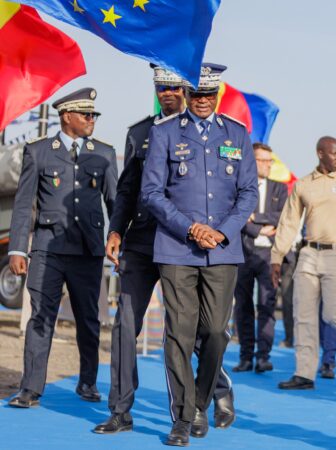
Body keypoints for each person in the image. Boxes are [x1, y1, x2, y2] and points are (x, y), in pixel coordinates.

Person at [95, 65, 236, 434]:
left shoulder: (213, 133)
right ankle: (121, 410)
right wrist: (115, 230)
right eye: (162, 88)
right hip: (142, 241)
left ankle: (207, 398)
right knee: (125, 323)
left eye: (175, 87)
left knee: (197, 329)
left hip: (185, 246)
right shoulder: (142, 132)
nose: (168, 94)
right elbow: (127, 189)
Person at [140, 62, 258, 446]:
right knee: (179, 334)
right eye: (196, 94)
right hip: (176, 248)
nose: (203, 100)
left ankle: (200, 403)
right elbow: (152, 193)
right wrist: (191, 228)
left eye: (209, 94)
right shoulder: (165, 133)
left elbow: (248, 194)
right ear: (187, 95)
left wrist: (219, 232)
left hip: (223, 252)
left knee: (215, 333)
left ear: (217, 94)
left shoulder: (237, 134)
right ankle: (182, 418)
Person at [8, 88, 117, 408]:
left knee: (88, 320)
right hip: (47, 250)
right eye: (86, 115)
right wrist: (17, 248)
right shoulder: (39, 151)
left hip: (88, 251)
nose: (92, 120)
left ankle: (87, 382)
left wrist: (119, 238)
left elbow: (115, 202)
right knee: (41, 317)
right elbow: (24, 202)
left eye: (94, 115)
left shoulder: (104, 153)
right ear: (67, 116)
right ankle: (30, 388)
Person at [270, 136, 336, 391]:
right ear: (320, 154)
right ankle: (304, 374)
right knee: (302, 315)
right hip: (309, 253)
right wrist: (276, 257)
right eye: (334, 153)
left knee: (333, 313)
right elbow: (289, 222)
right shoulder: (304, 185)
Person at [232, 143, 288, 373]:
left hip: (269, 256)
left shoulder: (279, 188)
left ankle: (263, 356)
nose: (267, 165)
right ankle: (245, 356)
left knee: (267, 305)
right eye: (262, 160)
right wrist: (257, 228)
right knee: (243, 306)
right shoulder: (239, 186)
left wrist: (257, 217)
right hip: (243, 253)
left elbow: (282, 215)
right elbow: (237, 215)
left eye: (269, 160)